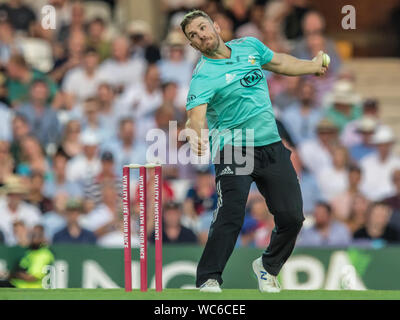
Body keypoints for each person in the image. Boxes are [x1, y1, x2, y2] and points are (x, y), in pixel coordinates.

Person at [181, 9, 328, 293]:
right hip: (233, 149)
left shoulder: (249, 46)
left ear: (217, 26)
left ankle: (268, 267)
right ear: (193, 45)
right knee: (231, 214)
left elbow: (281, 62)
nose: (200, 35)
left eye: (202, 27)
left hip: (270, 144)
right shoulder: (203, 75)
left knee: (292, 217)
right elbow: (196, 115)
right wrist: (196, 133)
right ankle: (209, 277)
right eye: (194, 36)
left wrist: (310, 66)